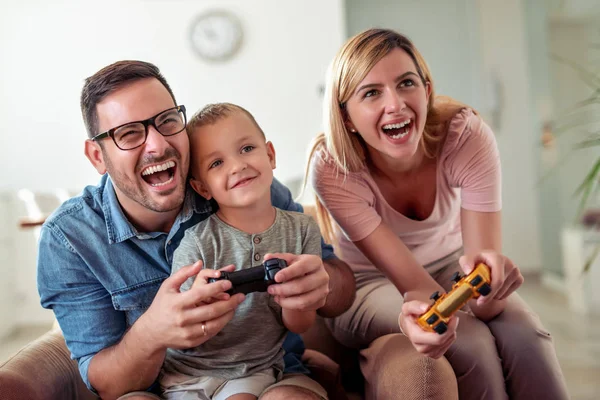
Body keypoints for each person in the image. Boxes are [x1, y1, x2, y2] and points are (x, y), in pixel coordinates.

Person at [36, 61, 355, 400]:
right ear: (97, 156)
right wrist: (152, 332)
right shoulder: (69, 239)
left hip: (270, 372)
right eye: (129, 134)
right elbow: (107, 384)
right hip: (159, 388)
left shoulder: (240, 185)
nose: (157, 145)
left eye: (167, 121)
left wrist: (322, 284)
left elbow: (341, 291)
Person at [307, 28, 570, 399]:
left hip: (449, 265)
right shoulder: (333, 168)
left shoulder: (465, 135)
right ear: (346, 116)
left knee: (526, 335)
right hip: (370, 287)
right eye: (371, 93)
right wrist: (464, 306)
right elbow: (416, 287)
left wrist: (491, 282)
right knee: (472, 339)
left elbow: (483, 285)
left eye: (406, 83)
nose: (395, 104)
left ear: (427, 91)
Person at [159, 102, 327, 400]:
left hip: (253, 370)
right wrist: (203, 305)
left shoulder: (303, 230)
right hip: (186, 375)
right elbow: (181, 331)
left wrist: (294, 295)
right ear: (202, 188)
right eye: (216, 163)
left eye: (247, 148)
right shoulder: (196, 242)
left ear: (270, 155)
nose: (237, 166)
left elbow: (300, 323)